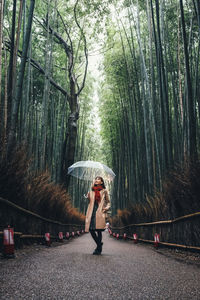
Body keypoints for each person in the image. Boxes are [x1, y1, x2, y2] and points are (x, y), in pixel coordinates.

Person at [85, 176, 110, 255]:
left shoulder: (104, 191)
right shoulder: (91, 190)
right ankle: (99, 244)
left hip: (100, 211)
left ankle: (98, 249)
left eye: (98, 179)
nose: (96, 180)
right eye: (95, 179)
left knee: (99, 230)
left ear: (101, 182)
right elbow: (90, 201)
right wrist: (88, 197)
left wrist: (106, 208)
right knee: (91, 230)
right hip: (92, 211)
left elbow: (108, 202)